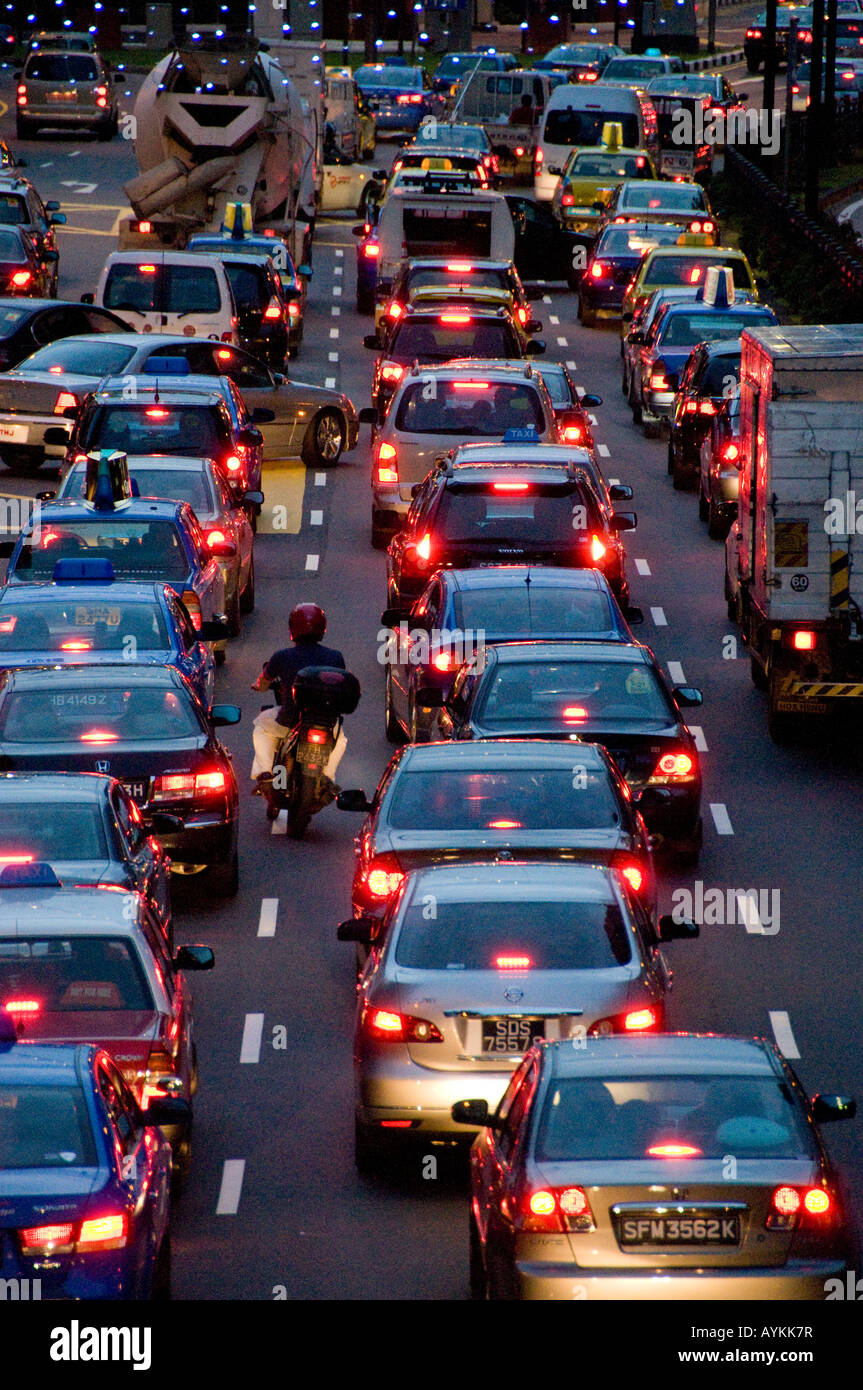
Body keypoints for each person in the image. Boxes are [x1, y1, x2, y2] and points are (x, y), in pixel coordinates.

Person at [250, 602, 347, 790]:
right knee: (340, 739)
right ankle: (327, 777)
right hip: (326, 723)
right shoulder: (336, 657)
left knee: (261, 726)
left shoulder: (281, 657)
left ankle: (265, 771)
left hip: (288, 721)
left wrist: (258, 686)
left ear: (292, 628)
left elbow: (263, 683)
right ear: (322, 628)